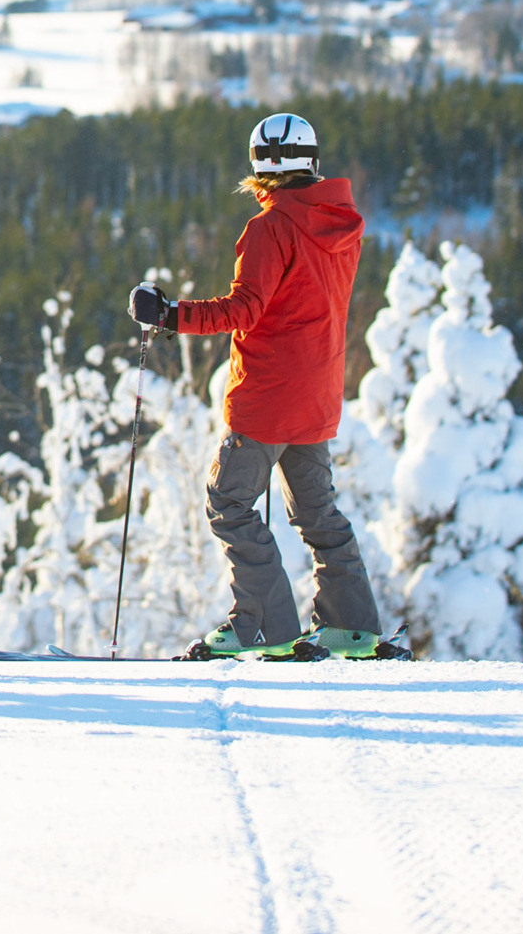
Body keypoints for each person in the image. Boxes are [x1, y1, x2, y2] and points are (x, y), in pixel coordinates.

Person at [128, 112, 385, 660]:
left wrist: (169, 314)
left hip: (268, 398)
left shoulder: (271, 228)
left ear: (259, 166)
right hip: (317, 397)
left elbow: (244, 310)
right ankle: (351, 628)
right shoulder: (341, 224)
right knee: (318, 512)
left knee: (230, 503)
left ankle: (264, 626)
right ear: (311, 161)